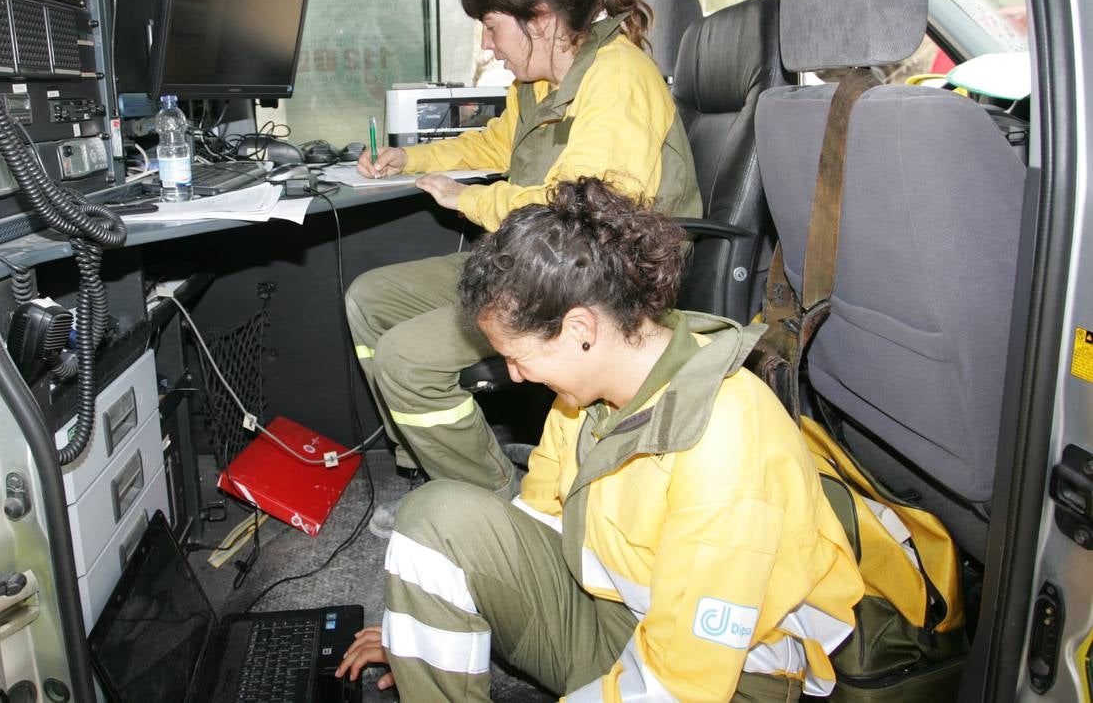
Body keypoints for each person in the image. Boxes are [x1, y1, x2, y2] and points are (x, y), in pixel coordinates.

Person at [337, 178, 865, 701]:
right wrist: (425, 631)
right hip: (617, 619)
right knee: (435, 515)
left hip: (727, 678)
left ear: (578, 329)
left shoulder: (727, 439)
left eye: (518, 356)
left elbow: (682, 683)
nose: (515, 375)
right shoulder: (582, 398)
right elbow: (534, 520)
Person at [346, 0, 701, 536]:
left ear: (540, 19)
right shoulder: (539, 81)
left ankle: (502, 516)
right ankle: (436, 467)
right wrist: (414, 160)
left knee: (407, 360)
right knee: (368, 299)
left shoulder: (617, 78)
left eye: (490, 27)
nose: (487, 45)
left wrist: (470, 198)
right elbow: (495, 143)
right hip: (543, 259)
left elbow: (580, 207)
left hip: (600, 276)